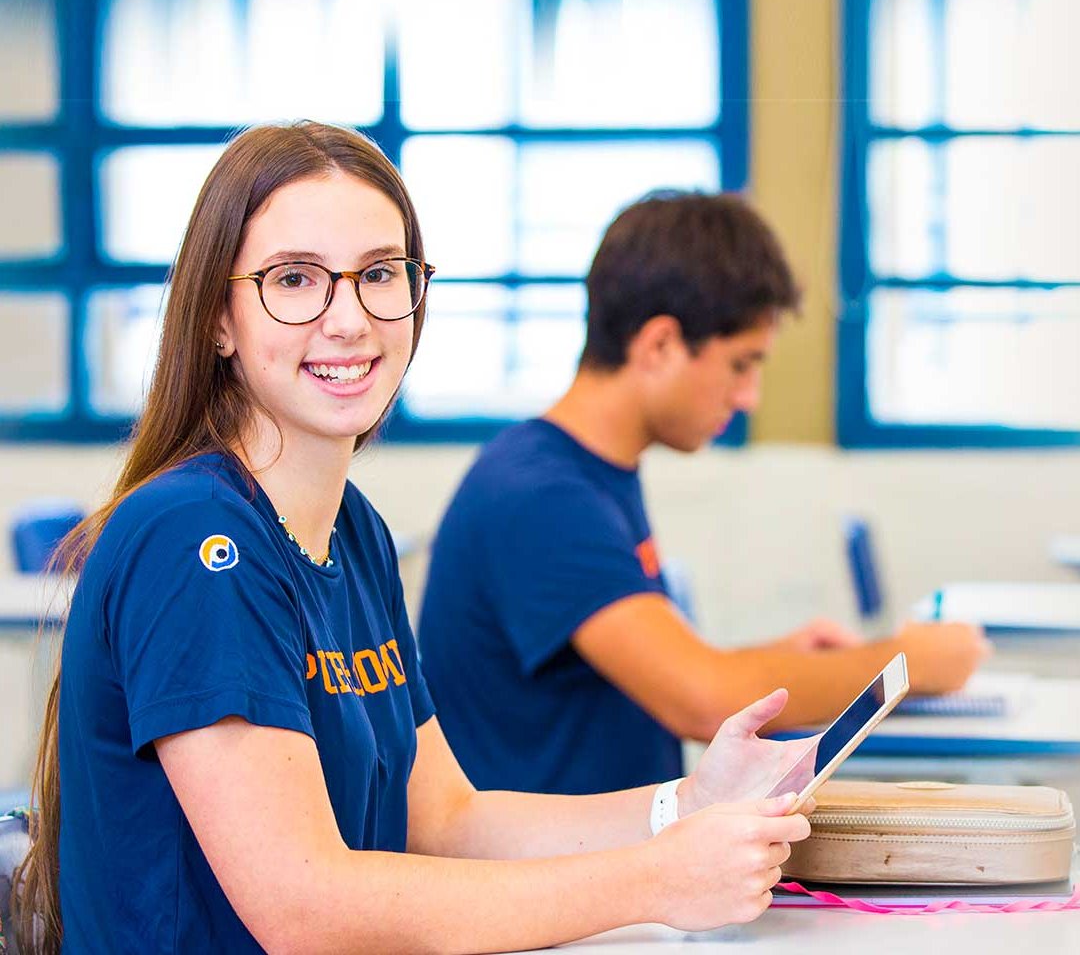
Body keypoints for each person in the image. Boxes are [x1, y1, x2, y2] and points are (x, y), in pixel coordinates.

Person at [13, 124, 816, 955]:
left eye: (380, 275)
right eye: (295, 280)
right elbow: (305, 907)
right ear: (219, 318)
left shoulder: (352, 529)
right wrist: (655, 879)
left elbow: (444, 821)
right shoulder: (195, 540)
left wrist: (686, 805)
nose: (350, 319)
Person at [418, 191, 990, 796]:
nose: (749, 398)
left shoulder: (587, 471)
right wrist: (909, 664)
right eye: (740, 365)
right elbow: (701, 697)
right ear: (660, 345)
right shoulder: (540, 496)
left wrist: (788, 663)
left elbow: (651, 676)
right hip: (551, 877)